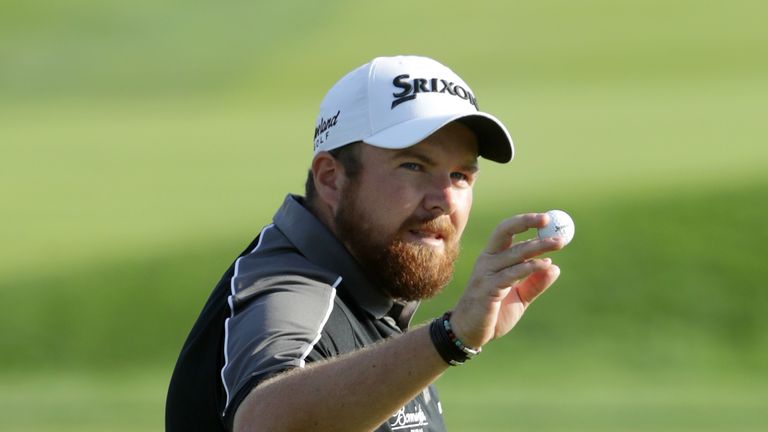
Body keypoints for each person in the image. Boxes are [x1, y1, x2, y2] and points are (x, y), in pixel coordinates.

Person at [166, 55, 565, 431]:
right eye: (413, 166)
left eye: (460, 175)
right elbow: (263, 421)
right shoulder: (294, 292)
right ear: (331, 179)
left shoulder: (373, 295)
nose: (444, 199)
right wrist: (451, 337)